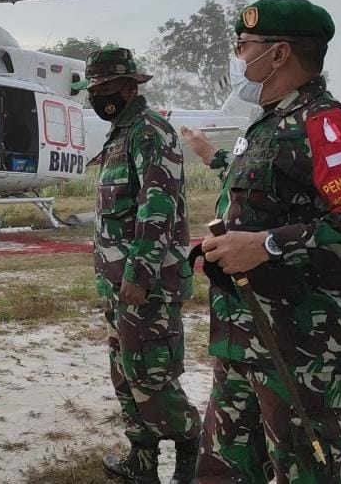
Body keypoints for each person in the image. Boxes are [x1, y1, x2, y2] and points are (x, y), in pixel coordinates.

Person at [181, 0, 341, 483]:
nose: (239, 57)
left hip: (302, 348)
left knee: (310, 471)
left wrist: (268, 244)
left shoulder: (325, 124)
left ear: (278, 54)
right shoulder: (268, 124)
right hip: (243, 336)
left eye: (244, 46)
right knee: (223, 471)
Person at [71, 47, 200, 484]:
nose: (98, 96)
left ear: (130, 87)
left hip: (147, 286)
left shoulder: (149, 131)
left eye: (106, 88)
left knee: (153, 377)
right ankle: (141, 465)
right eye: (94, 89)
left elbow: (157, 207)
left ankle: (190, 454)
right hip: (118, 286)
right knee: (126, 377)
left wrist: (139, 274)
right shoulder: (120, 133)